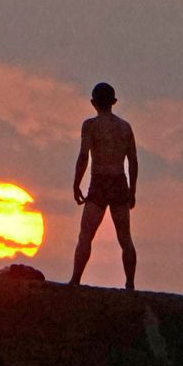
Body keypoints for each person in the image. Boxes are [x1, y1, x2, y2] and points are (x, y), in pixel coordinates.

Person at [69, 81, 138, 291]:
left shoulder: (90, 125)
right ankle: (130, 284)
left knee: (85, 236)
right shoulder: (124, 127)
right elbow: (133, 161)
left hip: (99, 182)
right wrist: (132, 190)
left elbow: (83, 156)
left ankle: (75, 280)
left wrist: (76, 183)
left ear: (93, 103)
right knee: (125, 238)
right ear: (114, 102)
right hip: (118, 182)